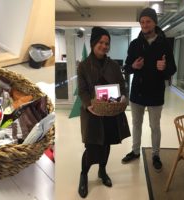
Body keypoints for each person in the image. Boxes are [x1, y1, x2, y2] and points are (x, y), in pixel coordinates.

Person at [77, 27, 131, 198]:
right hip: (93, 114)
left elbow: (122, 87)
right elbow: (83, 90)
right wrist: (88, 104)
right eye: (101, 42)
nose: (104, 46)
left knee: (106, 144)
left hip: (110, 114)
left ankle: (102, 171)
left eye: (107, 43)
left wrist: (123, 97)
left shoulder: (114, 65)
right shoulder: (84, 66)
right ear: (94, 43)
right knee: (92, 147)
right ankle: (84, 175)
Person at [121, 7, 177, 172]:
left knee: (155, 126)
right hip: (137, 92)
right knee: (136, 124)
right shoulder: (134, 44)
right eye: (142, 22)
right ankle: (135, 151)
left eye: (148, 21)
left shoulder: (165, 43)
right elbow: (126, 68)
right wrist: (133, 66)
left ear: (155, 22)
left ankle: (156, 155)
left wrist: (164, 67)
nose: (145, 24)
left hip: (155, 93)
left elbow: (173, 69)